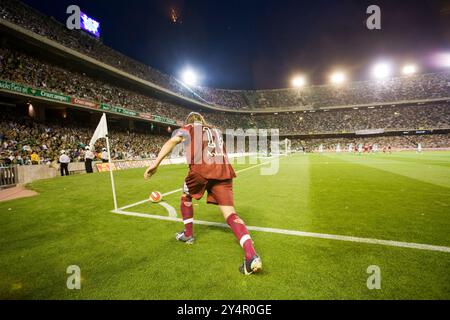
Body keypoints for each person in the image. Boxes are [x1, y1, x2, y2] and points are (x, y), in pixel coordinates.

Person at [144, 112, 262, 275]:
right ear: (203, 120)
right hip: (223, 172)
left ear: (188, 122)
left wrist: (155, 164)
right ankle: (251, 255)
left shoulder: (189, 128)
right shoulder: (215, 131)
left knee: (185, 195)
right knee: (230, 214)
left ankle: (188, 234)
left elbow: (172, 141)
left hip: (201, 171)